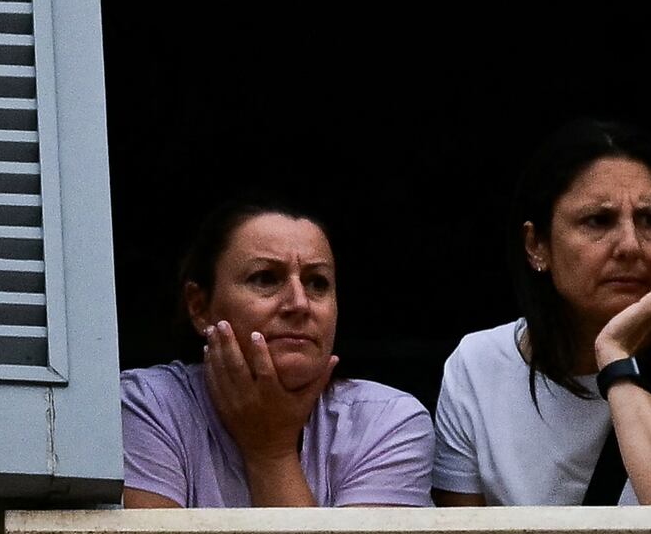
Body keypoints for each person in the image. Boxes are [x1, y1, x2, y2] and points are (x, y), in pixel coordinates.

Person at [431, 119, 651, 508]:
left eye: (649, 220)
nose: (630, 245)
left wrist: (616, 358)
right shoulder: (477, 368)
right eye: (598, 220)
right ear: (537, 246)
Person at [117, 197, 433, 509]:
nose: (299, 303)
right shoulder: (147, 405)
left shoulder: (388, 422)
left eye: (317, 283)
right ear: (200, 308)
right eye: (266, 278)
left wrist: (271, 451)